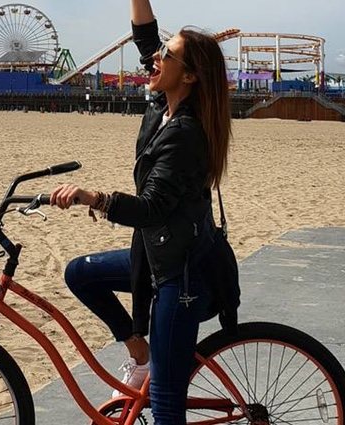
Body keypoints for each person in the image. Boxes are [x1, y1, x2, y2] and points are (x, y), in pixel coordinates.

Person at [49, 0, 231, 423]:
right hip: (155, 254)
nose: (156, 57)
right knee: (80, 274)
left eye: (167, 54)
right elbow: (146, 38)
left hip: (181, 274)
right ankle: (139, 351)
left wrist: (92, 197)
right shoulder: (161, 106)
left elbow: (151, 209)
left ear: (187, 76)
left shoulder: (185, 134)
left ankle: (155, 368)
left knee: (166, 400)